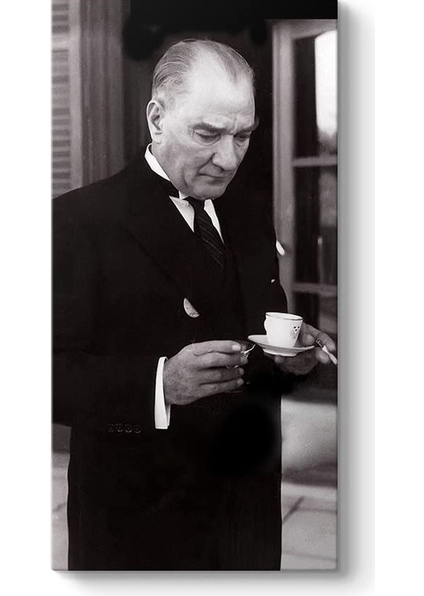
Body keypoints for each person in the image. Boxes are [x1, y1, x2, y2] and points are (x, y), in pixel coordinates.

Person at [53, 38, 336, 570]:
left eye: (243, 136)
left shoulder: (250, 213)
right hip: (139, 526)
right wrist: (159, 384)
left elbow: (255, 338)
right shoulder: (75, 222)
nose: (228, 159)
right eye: (207, 134)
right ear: (157, 118)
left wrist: (291, 358)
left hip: (248, 515)